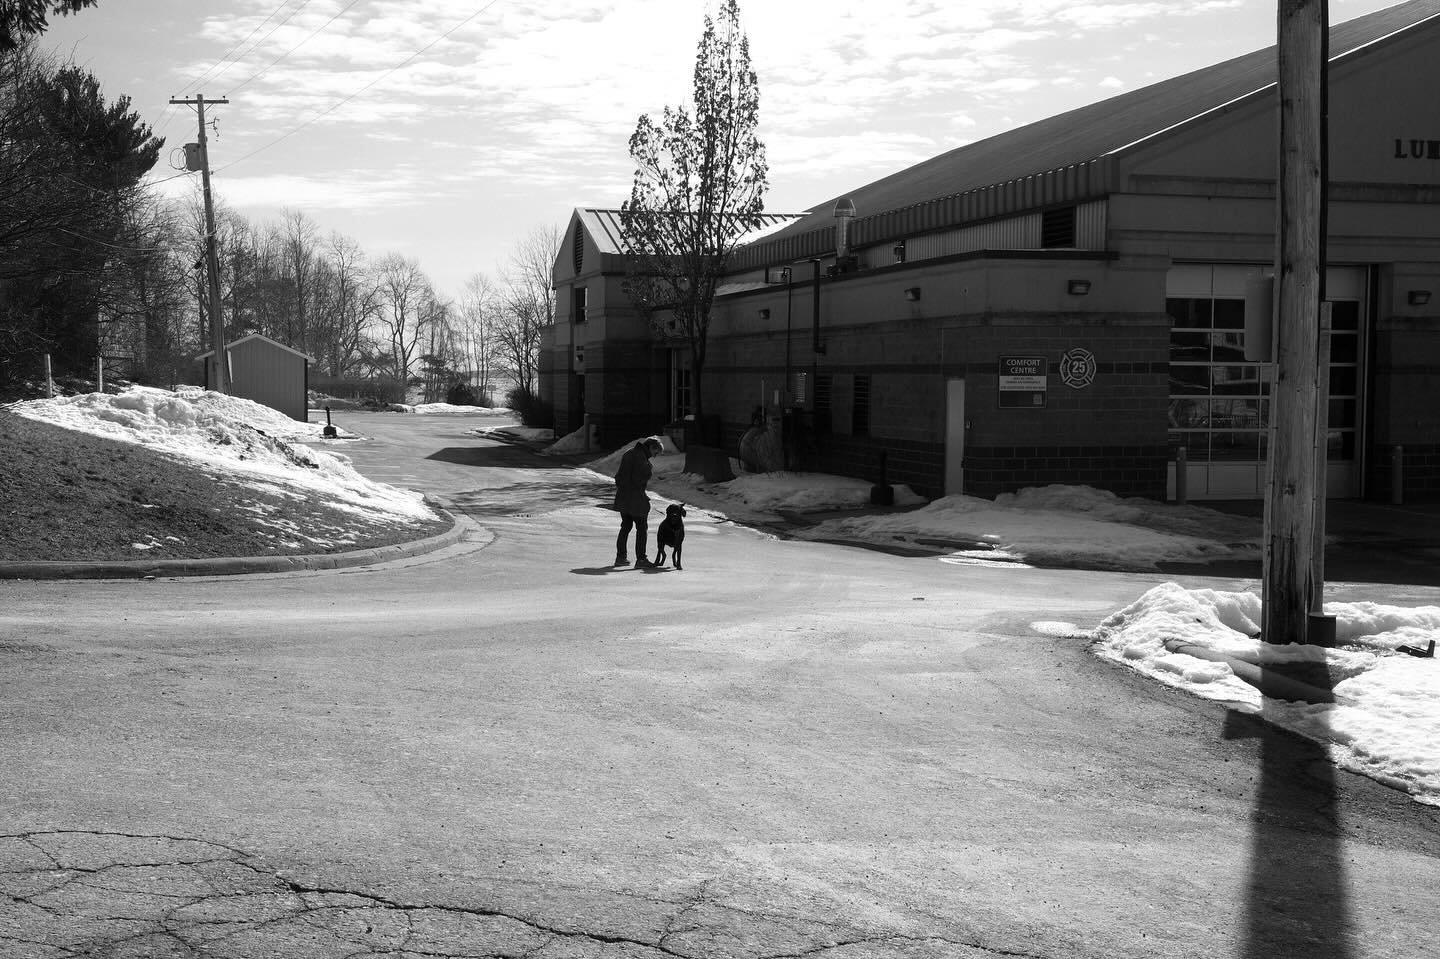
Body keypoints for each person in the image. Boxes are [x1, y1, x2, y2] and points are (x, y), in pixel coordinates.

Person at [614, 437, 663, 567]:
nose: (655, 456)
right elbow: (640, 479)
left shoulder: (629, 453)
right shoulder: (641, 458)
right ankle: (641, 559)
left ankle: (620, 557)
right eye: (656, 452)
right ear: (651, 447)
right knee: (641, 528)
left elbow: (619, 477)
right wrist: (649, 468)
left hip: (623, 496)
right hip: (635, 498)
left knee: (625, 526)